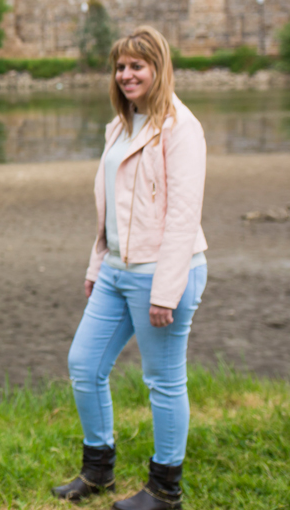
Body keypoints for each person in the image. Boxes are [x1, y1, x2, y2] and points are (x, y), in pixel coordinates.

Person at [52, 26, 208, 510]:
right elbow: (113, 209)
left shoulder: (182, 127)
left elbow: (183, 214)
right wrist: (97, 264)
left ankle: (165, 490)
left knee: (163, 379)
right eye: (120, 67)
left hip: (161, 273)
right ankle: (98, 471)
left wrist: (166, 289)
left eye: (137, 66)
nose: (126, 75)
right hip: (117, 272)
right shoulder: (119, 126)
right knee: (84, 364)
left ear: (158, 69)